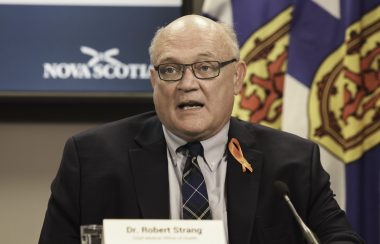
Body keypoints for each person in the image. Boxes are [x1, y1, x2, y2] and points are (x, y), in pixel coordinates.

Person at [39, 15, 363, 244]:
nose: (188, 84)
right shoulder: (91, 159)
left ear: (237, 78)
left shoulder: (292, 162)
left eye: (205, 67)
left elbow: (339, 238)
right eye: (171, 70)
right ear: (154, 82)